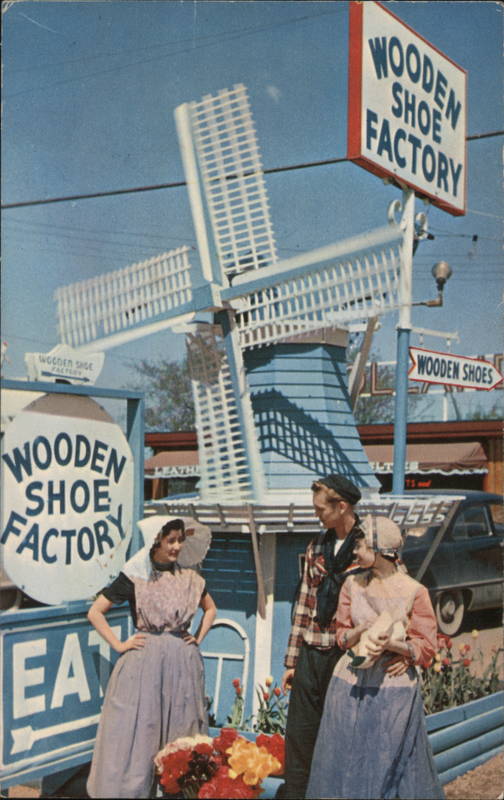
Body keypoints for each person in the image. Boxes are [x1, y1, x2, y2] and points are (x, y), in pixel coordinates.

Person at [306, 515, 444, 800]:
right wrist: (361, 630)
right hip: (350, 682)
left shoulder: (414, 591)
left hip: (392, 687)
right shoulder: (351, 585)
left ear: (381, 550)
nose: (355, 551)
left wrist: (398, 647)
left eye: (361, 546)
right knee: (343, 756)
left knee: (389, 758)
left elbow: (426, 646)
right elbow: (341, 637)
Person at [86, 517, 217, 799]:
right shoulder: (135, 576)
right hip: (145, 664)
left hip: (182, 663)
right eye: (171, 540)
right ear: (155, 541)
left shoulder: (190, 578)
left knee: (181, 730)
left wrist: (198, 638)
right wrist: (120, 645)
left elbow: (211, 609)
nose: (177, 546)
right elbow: (95, 612)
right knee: (141, 729)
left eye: (180, 540)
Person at [278, 473, 367, 799]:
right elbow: (304, 603)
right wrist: (292, 661)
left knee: (343, 734)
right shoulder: (317, 544)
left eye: (321, 509)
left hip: (349, 656)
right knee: (300, 735)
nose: (317, 514)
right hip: (313, 652)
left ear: (341, 506)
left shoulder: (369, 545)